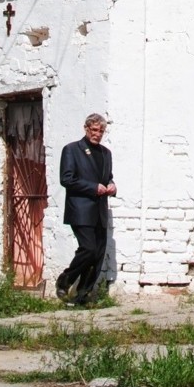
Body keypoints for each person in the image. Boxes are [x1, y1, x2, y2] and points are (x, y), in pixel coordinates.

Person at [56, 113, 117, 304]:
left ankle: (83, 295)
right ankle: (65, 280)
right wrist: (92, 187)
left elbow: (107, 177)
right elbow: (66, 179)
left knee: (98, 254)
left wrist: (112, 185)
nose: (97, 134)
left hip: (99, 211)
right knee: (88, 248)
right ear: (86, 128)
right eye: (94, 130)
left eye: (101, 131)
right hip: (80, 210)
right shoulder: (72, 150)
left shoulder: (106, 153)